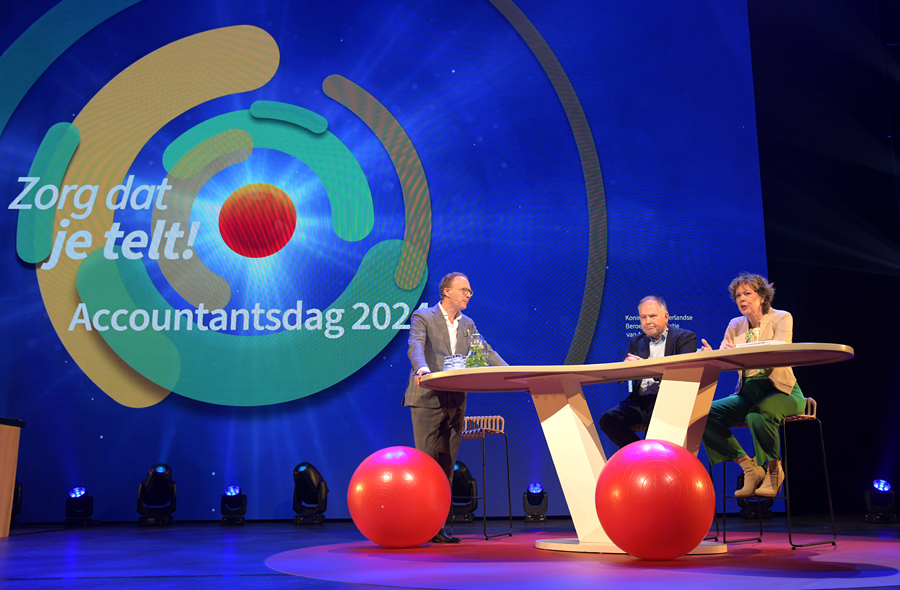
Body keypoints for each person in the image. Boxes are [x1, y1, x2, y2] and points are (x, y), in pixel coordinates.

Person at [403, 272, 507, 543]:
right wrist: (422, 368)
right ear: (447, 291)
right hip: (426, 399)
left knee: (446, 466)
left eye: (470, 291)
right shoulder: (423, 316)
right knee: (426, 465)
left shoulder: (468, 324)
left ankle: (437, 527)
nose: (468, 295)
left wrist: (512, 373)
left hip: (455, 401)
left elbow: (485, 352)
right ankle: (418, 524)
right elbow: (414, 345)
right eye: (464, 290)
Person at [700, 273, 804, 498]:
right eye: (738, 295)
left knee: (757, 416)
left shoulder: (781, 317)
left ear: (763, 296)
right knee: (702, 415)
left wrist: (737, 354)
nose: (741, 299)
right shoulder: (735, 324)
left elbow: (780, 353)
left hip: (781, 390)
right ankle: (749, 467)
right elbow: (726, 359)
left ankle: (774, 471)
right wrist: (714, 356)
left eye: (748, 293)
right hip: (747, 393)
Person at [598, 296, 697, 449]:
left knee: (656, 419)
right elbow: (627, 375)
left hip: (668, 399)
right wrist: (627, 368)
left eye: (652, 316)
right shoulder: (636, 341)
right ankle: (640, 453)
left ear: (666, 317)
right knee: (608, 420)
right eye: (643, 317)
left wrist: (644, 368)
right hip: (639, 401)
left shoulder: (685, 338)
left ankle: (652, 458)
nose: (647, 321)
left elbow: (681, 371)